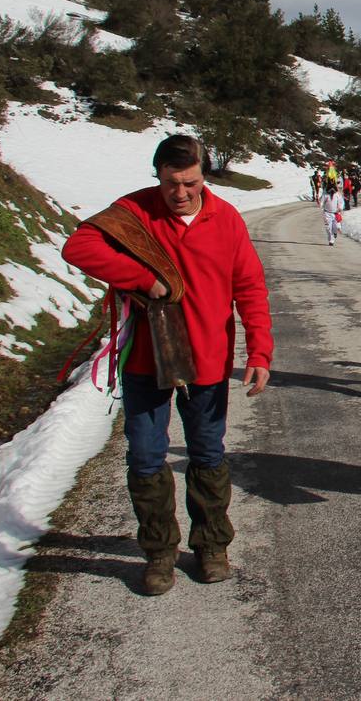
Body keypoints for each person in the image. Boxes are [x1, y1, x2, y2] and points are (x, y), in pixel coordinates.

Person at [61, 134, 272, 595]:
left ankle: (211, 546)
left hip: (208, 360)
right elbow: (77, 248)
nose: (180, 194)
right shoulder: (135, 212)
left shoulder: (226, 219)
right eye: (171, 183)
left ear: (204, 176)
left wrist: (260, 351)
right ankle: (159, 553)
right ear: (157, 176)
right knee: (144, 456)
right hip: (145, 360)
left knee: (208, 454)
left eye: (190, 183)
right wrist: (144, 278)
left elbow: (251, 288)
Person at [321, 180, 344, 245]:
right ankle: (331, 240)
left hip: (335, 213)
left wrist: (340, 208)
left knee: (335, 227)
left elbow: (341, 202)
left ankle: (335, 233)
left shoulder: (337, 194)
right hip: (327, 213)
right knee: (328, 228)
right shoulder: (325, 193)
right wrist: (321, 204)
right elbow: (322, 201)